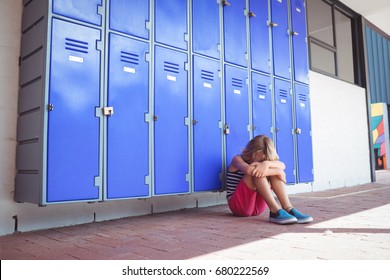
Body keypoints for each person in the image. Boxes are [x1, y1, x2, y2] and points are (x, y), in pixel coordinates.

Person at [226, 134, 313, 224]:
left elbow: (282, 165)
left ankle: (288, 208)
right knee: (258, 172)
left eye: (264, 161)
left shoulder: (266, 163)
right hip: (239, 207)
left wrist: (267, 164)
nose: (261, 163)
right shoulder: (237, 159)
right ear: (251, 152)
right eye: (260, 160)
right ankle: (275, 210)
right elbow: (249, 170)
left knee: (268, 171)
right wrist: (279, 172)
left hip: (257, 207)